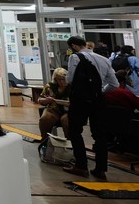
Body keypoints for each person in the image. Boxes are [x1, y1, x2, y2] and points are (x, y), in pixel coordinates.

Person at [63, 35, 118, 180]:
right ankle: (100, 169)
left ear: (74, 46)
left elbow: (70, 79)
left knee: (75, 131)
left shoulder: (75, 57)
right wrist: (99, 91)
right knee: (100, 135)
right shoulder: (104, 59)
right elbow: (114, 84)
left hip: (80, 100)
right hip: (98, 100)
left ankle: (81, 166)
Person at [37, 67, 70, 141]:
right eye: (59, 79)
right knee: (45, 119)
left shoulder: (72, 87)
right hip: (53, 109)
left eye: (63, 79)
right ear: (55, 79)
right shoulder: (49, 86)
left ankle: (70, 142)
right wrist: (45, 100)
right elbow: (39, 99)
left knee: (66, 120)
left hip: (68, 111)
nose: (62, 82)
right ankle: (45, 141)